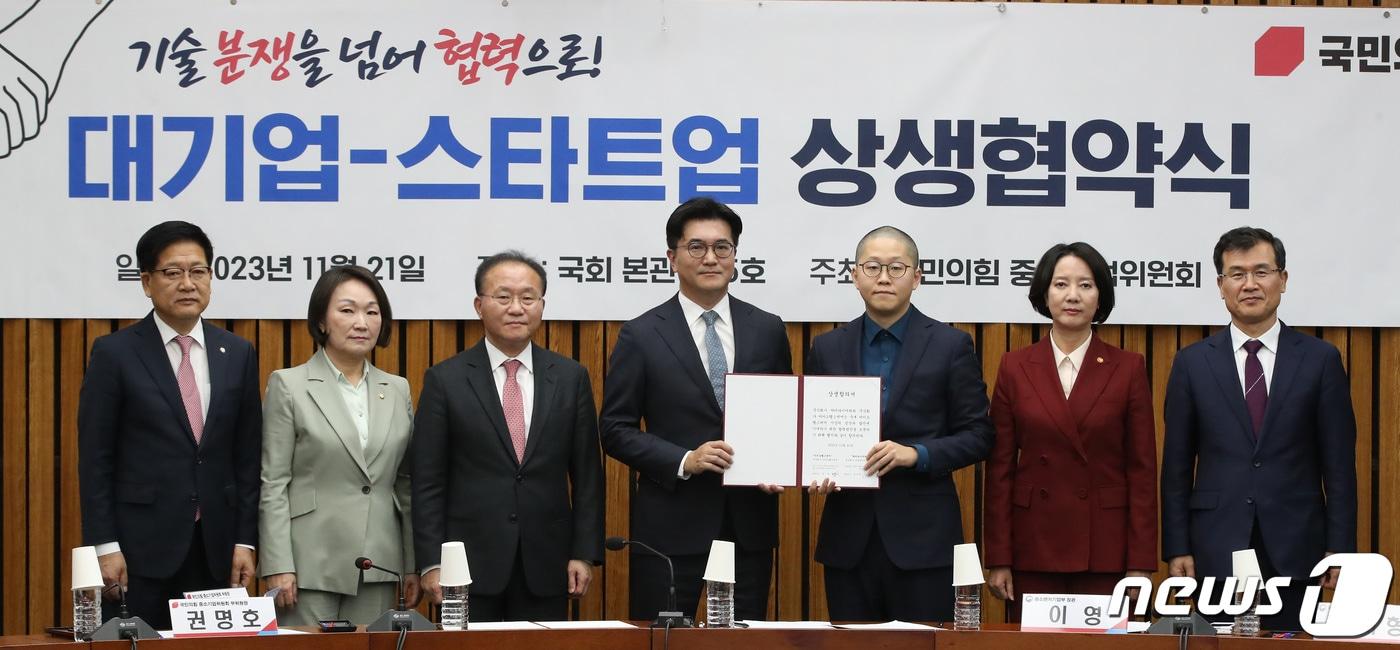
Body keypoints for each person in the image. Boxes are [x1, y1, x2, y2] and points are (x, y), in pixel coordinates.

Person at [600, 197, 792, 622]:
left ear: (735, 256)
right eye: (697, 247)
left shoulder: (767, 328)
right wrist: (685, 459)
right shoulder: (641, 335)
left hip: (749, 523)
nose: (711, 257)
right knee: (663, 638)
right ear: (672, 257)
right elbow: (614, 428)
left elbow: (782, 414)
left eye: (722, 247)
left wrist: (776, 463)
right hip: (670, 526)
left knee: (748, 641)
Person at [1161, 226, 1356, 631]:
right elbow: (1176, 467)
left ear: (1282, 279)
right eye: (1237, 274)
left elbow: (1339, 467)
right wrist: (1177, 545)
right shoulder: (1192, 364)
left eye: (1261, 272)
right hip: (1215, 545)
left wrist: (1339, 549)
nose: (1249, 284)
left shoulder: (1320, 360)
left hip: (1298, 546)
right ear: (1221, 286)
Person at [77, 221, 261, 629]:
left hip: (216, 550)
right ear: (147, 282)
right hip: (138, 552)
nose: (187, 283)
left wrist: (244, 540)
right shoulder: (115, 353)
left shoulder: (238, 353)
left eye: (198, 271)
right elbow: (95, 460)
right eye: (173, 272)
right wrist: (104, 546)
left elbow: (247, 458)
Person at [806, 225, 993, 622]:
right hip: (848, 540)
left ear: (917, 277)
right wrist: (814, 469)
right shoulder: (827, 347)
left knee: (923, 645)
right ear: (854, 275)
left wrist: (916, 454)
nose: (884, 278)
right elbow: (811, 430)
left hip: (924, 541)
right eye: (872, 267)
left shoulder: (951, 345)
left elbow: (979, 436)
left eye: (897, 267)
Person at [412, 251, 603, 621]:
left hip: (547, 562)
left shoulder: (571, 378)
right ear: (479, 305)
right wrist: (431, 562)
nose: (517, 307)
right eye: (503, 297)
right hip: (465, 566)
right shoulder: (445, 380)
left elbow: (587, 476)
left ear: (542, 305)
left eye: (528, 297)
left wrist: (583, 552)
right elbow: (427, 481)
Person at [983, 242, 1157, 621]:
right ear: (1044, 293)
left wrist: (1141, 562)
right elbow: (999, 471)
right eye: (1061, 284)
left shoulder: (1128, 368)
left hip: (1105, 549)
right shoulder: (1015, 366)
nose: (1073, 295)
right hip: (1032, 546)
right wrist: (998, 557)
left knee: (1105, 647)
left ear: (1101, 296)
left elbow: (1142, 471)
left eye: (1086, 285)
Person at [258, 266, 419, 625]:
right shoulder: (289, 385)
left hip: (378, 562)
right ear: (321, 320)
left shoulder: (397, 389)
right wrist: (278, 563)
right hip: (308, 564)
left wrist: (411, 564)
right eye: (347, 310)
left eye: (372, 312)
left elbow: (404, 484)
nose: (361, 322)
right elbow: (273, 482)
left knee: (372, 647)